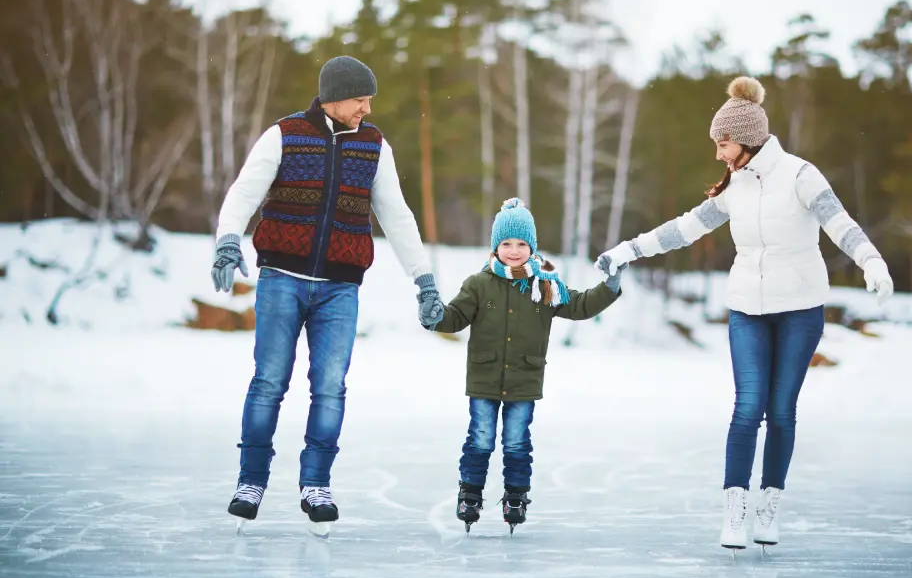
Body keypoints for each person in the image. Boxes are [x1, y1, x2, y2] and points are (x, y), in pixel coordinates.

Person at [595, 76, 894, 551]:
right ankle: (734, 512)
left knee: (781, 411)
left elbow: (840, 224)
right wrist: (627, 250)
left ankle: (768, 505)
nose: (719, 153)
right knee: (747, 407)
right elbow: (684, 229)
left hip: (799, 310)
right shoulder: (735, 186)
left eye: (724, 143)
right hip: (747, 310)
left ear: (749, 139)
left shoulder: (800, 175)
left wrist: (872, 261)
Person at [210, 55, 445, 533]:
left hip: (340, 288)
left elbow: (397, 215)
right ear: (336, 96)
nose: (367, 109)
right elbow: (242, 193)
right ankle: (250, 481)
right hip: (281, 278)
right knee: (269, 382)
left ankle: (316, 484)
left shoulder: (375, 147)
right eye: (361, 99)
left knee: (330, 388)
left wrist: (424, 279)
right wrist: (228, 238)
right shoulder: (285, 134)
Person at [428, 198, 625, 534]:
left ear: (532, 246)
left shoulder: (544, 284)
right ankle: (470, 492)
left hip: (524, 379)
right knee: (481, 439)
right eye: (506, 243)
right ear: (495, 246)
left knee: (517, 442)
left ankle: (516, 495)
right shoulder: (479, 283)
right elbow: (455, 317)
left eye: (521, 244)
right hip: (485, 376)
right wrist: (434, 315)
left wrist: (610, 287)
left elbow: (578, 305)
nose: (514, 250)